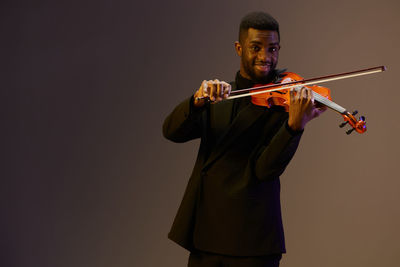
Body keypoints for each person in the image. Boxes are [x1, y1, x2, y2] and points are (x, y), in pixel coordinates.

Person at [163, 11, 326, 267]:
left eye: (272, 49)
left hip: (253, 241)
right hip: (206, 236)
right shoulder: (218, 96)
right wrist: (196, 101)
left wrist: (294, 126)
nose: (265, 57)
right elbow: (171, 132)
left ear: (279, 49)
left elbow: (264, 170)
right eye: (256, 48)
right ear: (239, 48)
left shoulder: (283, 103)